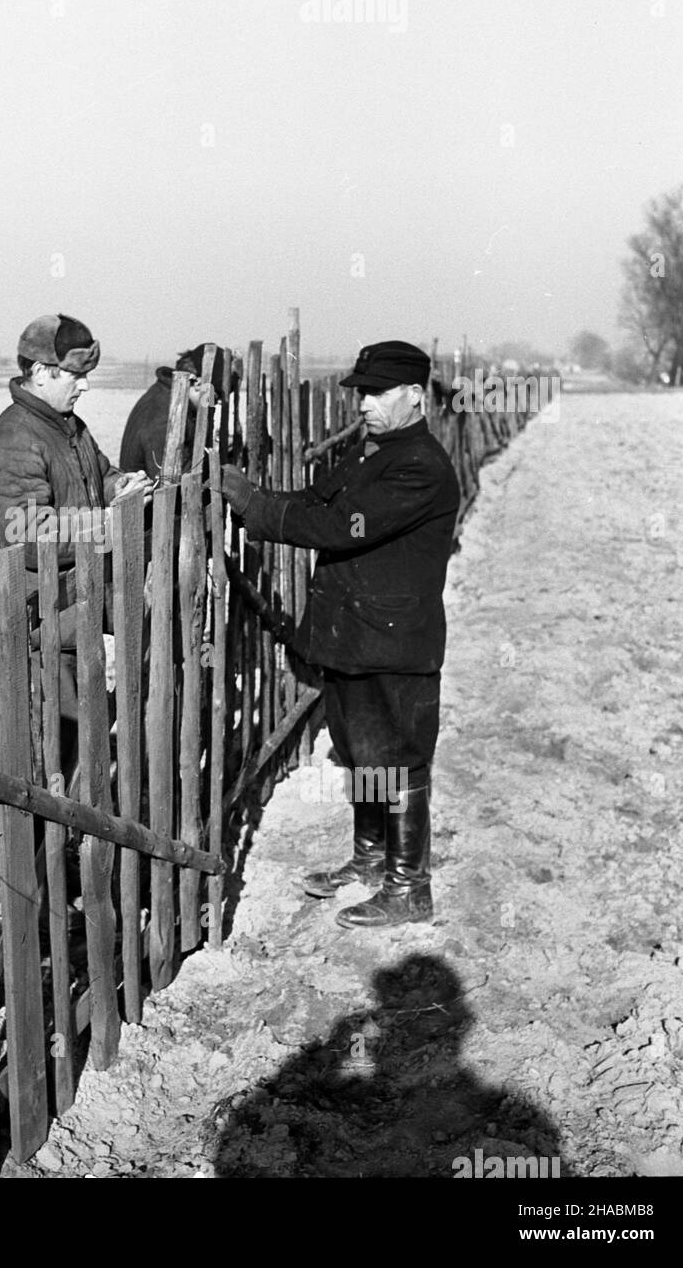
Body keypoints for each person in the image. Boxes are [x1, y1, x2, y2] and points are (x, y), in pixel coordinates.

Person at [220, 340, 459, 928]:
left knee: (399, 761)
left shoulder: (419, 466)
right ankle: (373, 860)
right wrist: (258, 501)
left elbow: (341, 527)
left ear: (415, 397)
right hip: (355, 634)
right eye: (361, 393)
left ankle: (409, 887)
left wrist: (254, 506)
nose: (365, 404)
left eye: (378, 393)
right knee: (361, 753)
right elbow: (314, 499)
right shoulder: (369, 452)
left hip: (395, 641)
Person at [0, 313, 151, 781]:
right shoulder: (15, 441)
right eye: (77, 376)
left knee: (73, 752)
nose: (85, 387)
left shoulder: (68, 427)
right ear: (41, 372)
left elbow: (98, 476)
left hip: (73, 615)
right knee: (45, 759)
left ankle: (66, 842)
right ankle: (36, 849)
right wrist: (107, 525)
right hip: (39, 626)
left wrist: (123, 487)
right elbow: (27, 532)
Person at [119, 343, 225, 480]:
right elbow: (171, 483)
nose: (213, 404)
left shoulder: (171, 398)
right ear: (199, 384)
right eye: (215, 397)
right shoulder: (166, 417)